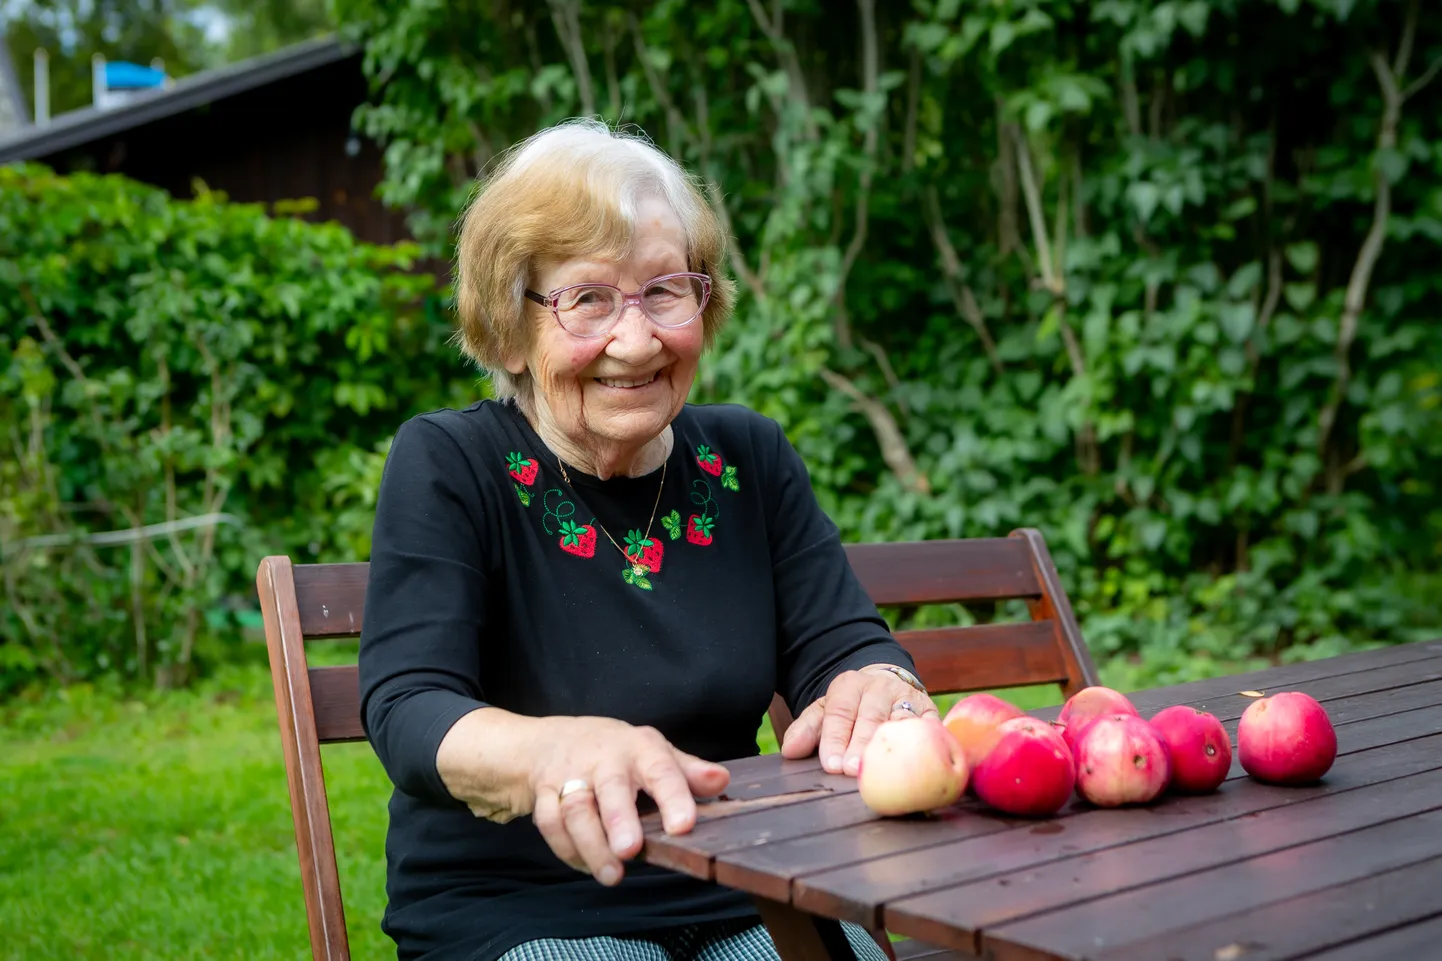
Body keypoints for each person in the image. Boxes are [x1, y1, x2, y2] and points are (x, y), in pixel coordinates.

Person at [357, 119, 940, 961]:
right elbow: (410, 709)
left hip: (754, 887)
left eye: (665, 290)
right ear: (509, 327)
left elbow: (843, 643)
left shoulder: (748, 456)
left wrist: (877, 684)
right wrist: (553, 746)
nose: (636, 340)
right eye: (587, 299)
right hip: (524, 908)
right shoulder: (452, 462)